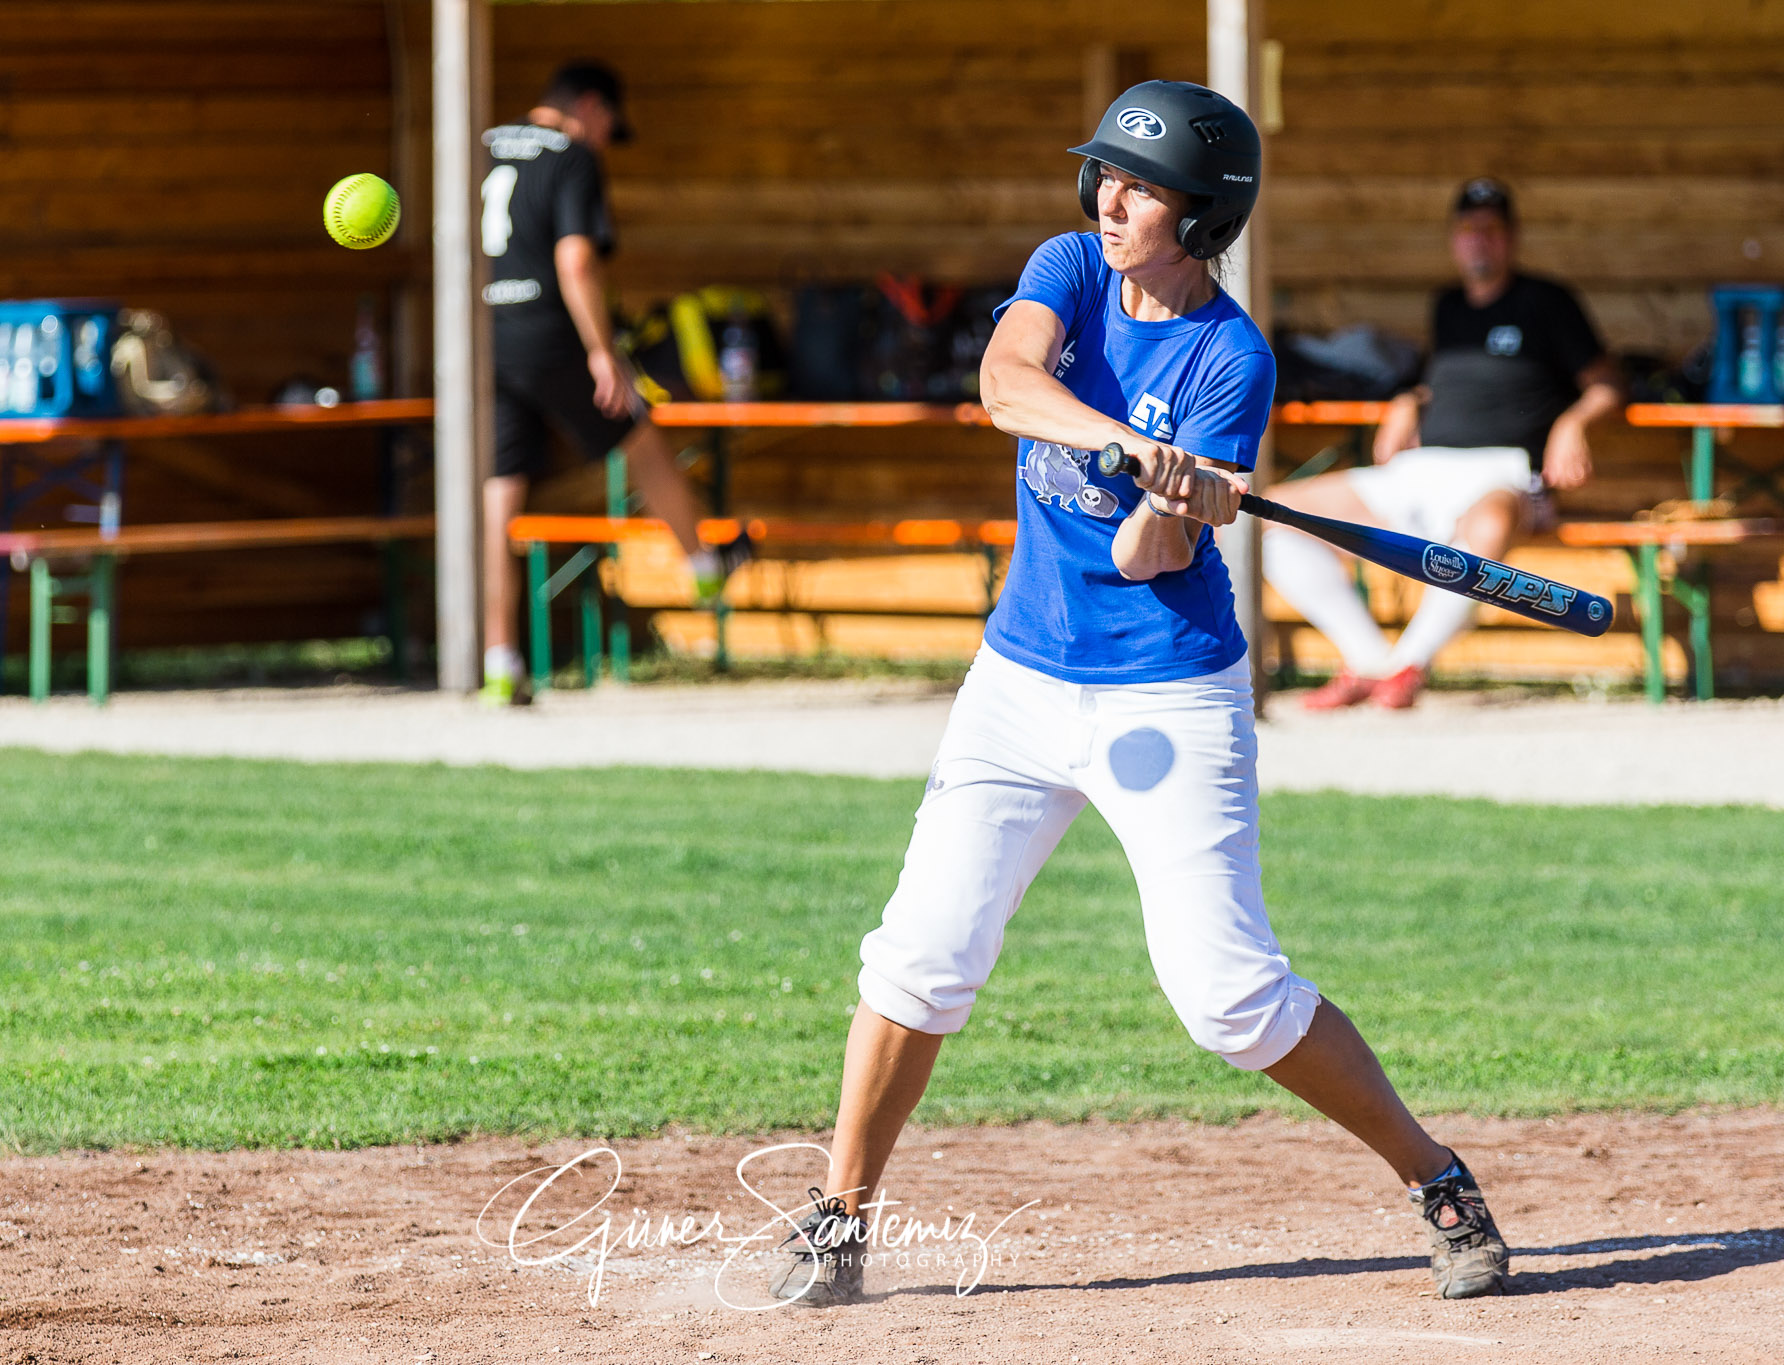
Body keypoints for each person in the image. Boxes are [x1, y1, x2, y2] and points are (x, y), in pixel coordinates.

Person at [766, 82, 1509, 1309]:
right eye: (1103, 174)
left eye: (1140, 184)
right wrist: (1114, 440)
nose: (1108, 198)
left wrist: (1179, 499)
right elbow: (1005, 385)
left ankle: (1436, 1179)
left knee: (1226, 998)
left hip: (1163, 697)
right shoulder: (1065, 267)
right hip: (1015, 681)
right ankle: (838, 1216)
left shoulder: (1232, 357)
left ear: (1203, 213)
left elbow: (1142, 562)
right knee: (922, 953)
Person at [1264, 177, 1623, 710]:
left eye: (1492, 230)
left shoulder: (1547, 301)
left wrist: (1573, 424)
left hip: (1501, 473)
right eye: (1469, 230)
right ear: (1455, 239)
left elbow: (1610, 383)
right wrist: (1410, 399)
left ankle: (1410, 665)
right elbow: (1446, 379)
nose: (1480, 240)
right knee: (1273, 513)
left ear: (1512, 237)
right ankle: (1368, 661)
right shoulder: (1448, 306)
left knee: (1491, 523)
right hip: (1421, 469)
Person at [479, 60, 749, 705]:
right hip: (551, 331)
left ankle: (498, 658)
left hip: (486, 337)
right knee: (638, 435)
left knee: (499, 495)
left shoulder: (482, 145)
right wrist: (603, 353)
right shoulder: (572, 155)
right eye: (608, 128)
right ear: (592, 108)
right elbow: (575, 260)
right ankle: (705, 566)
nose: (605, 140)